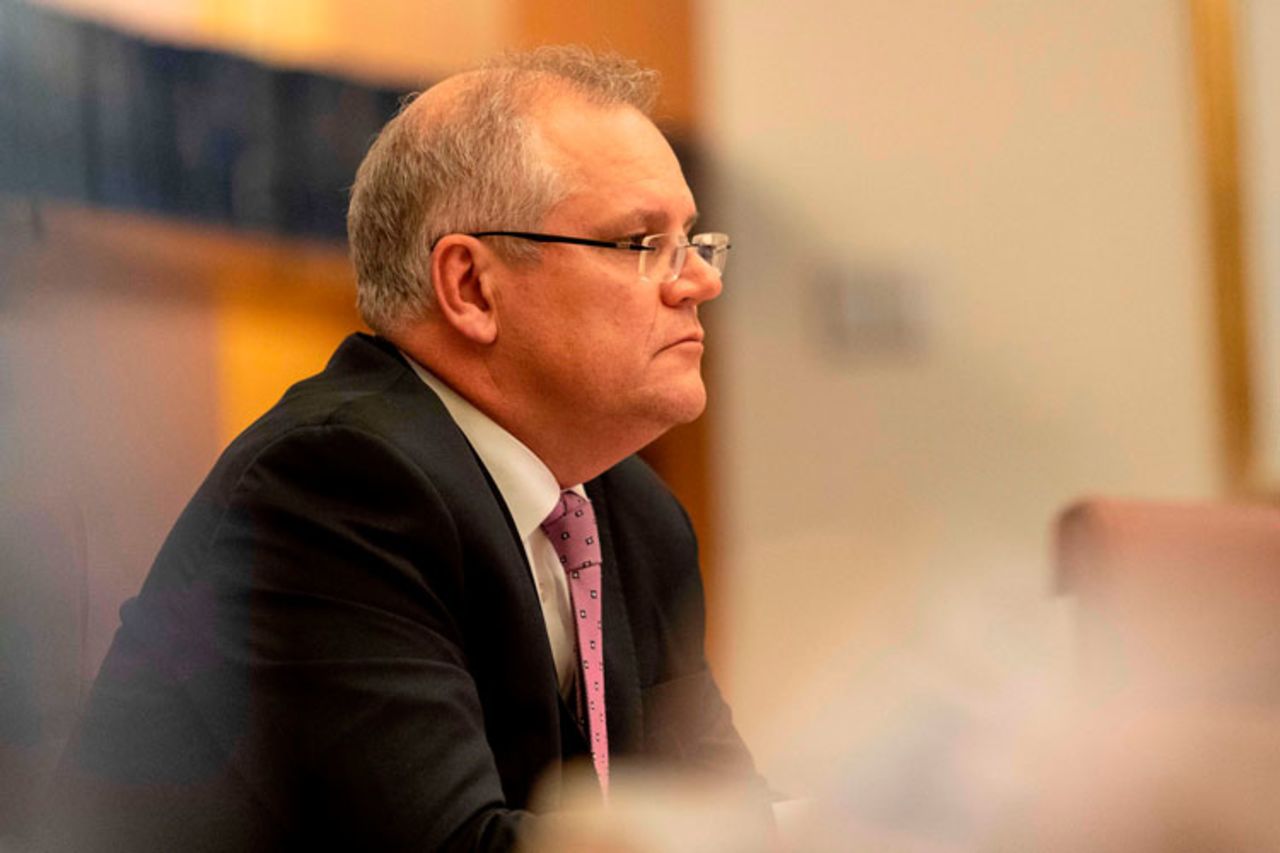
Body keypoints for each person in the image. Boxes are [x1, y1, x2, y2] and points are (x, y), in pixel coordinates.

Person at [46, 46, 764, 851]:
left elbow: (725, 814)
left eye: (694, 239)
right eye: (641, 243)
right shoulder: (337, 486)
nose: (701, 280)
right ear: (470, 287)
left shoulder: (634, 513)